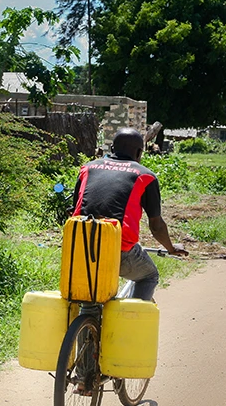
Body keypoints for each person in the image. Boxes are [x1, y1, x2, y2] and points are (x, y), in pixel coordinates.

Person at [71, 128, 188, 300]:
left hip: (78, 244)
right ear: (139, 152)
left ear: (112, 148)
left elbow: (75, 209)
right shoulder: (145, 176)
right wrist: (171, 248)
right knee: (148, 276)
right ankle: (131, 320)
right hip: (118, 248)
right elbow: (156, 226)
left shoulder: (87, 168)